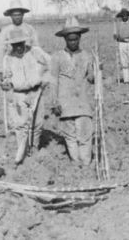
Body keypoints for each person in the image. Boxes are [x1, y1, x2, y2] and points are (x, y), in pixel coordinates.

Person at [49, 17, 95, 165]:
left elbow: (91, 78)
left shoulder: (87, 56)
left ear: (80, 38)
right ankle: (76, 162)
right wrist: (54, 102)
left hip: (82, 102)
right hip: (65, 103)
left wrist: (96, 71)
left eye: (76, 39)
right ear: (65, 39)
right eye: (70, 40)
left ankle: (86, 162)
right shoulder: (57, 57)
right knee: (70, 135)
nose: (73, 42)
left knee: (85, 134)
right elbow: (53, 80)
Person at [1, 29, 51, 165]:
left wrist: (44, 79)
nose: (18, 47)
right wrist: (7, 85)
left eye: (20, 43)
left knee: (37, 123)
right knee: (21, 125)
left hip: (36, 92)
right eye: (15, 44)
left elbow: (51, 64)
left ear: (24, 42)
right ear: (11, 45)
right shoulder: (8, 58)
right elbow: (6, 77)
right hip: (19, 94)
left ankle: (33, 150)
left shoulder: (35, 52)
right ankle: (22, 153)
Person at [0, 0, 39, 72]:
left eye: (19, 14)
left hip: (29, 64)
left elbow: (36, 48)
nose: (17, 17)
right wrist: (1, 70)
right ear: (10, 16)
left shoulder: (30, 29)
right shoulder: (5, 31)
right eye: (14, 15)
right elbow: (1, 51)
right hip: (12, 65)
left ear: (23, 15)